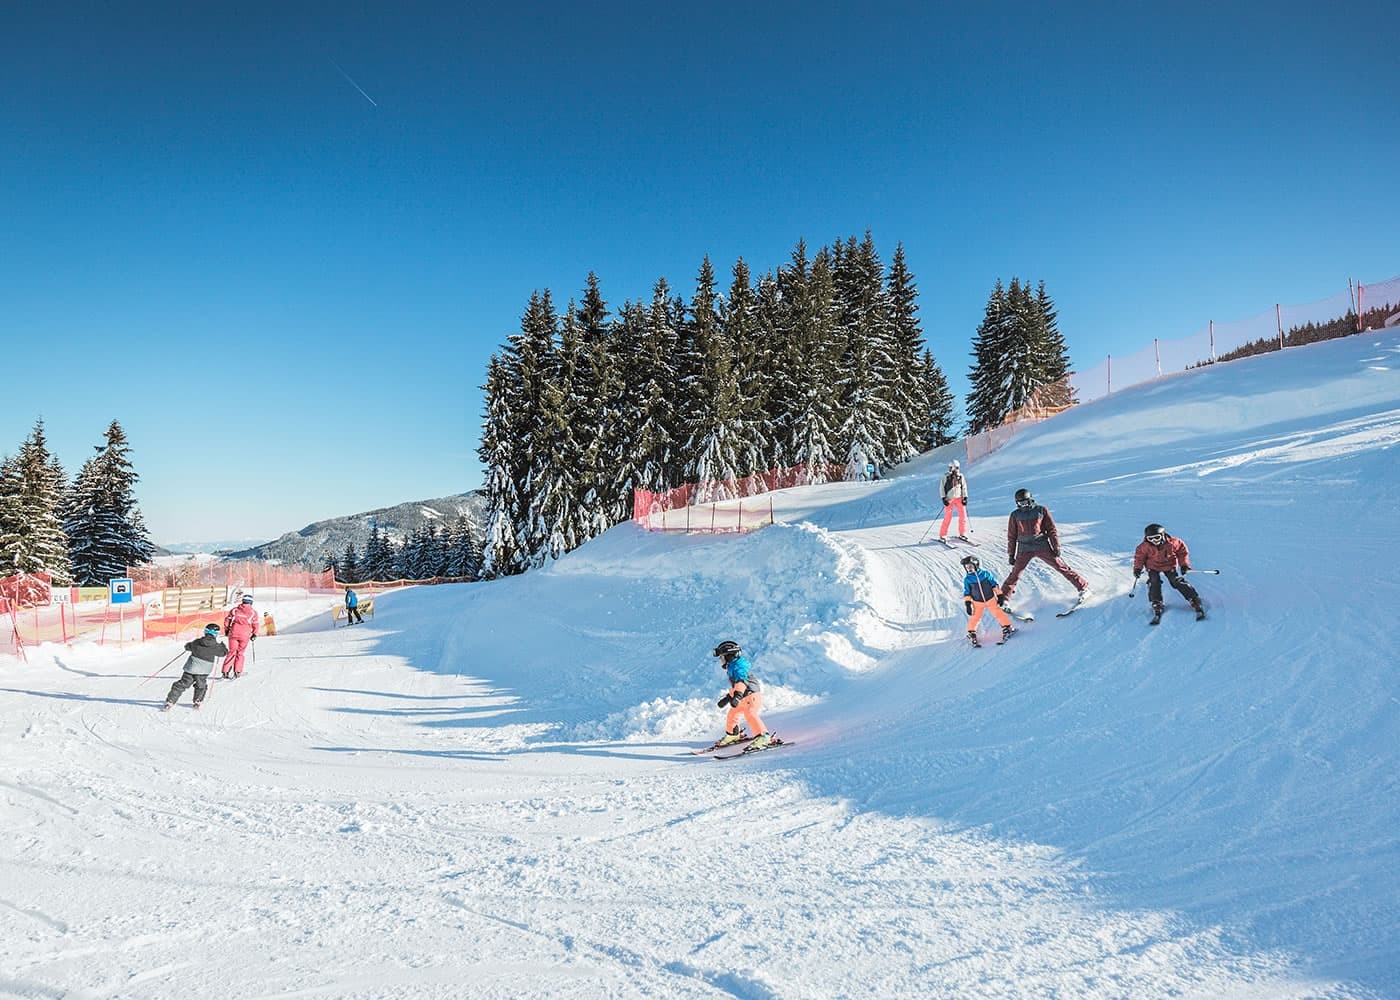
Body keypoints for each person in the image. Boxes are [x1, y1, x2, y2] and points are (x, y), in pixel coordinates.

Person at [1001, 488, 1089, 602]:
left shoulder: (1041, 510)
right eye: (1020, 503)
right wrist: (1011, 554)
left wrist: (1055, 546)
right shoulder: (1015, 515)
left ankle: (1083, 588)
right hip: (1024, 548)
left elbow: (1051, 529)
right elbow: (1011, 536)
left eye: (1025, 502)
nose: (1023, 505)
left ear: (1030, 500)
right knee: (1015, 573)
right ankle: (1003, 599)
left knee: (1060, 566)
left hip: (1041, 544)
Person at [1134, 523, 1205, 623]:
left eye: (1157, 537)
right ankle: (1156, 602)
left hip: (1169, 565)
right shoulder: (1144, 547)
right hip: (1153, 566)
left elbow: (1182, 552)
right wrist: (1137, 569)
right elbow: (1139, 558)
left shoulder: (1173, 542)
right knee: (1154, 582)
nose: (1154, 541)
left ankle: (1193, 598)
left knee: (1175, 581)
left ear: (1163, 535)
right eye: (1151, 539)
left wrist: (1184, 565)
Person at [713, 640, 773, 750]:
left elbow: (741, 682)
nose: (721, 660)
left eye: (722, 657)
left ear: (729, 656)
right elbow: (736, 686)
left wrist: (737, 695)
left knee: (750, 714)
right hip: (743, 698)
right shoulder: (732, 667)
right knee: (732, 713)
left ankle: (764, 737)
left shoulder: (738, 667)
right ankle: (733, 734)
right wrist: (728, 698)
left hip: (751, 696)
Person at [163, 624, 227, 711]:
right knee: (201, 685)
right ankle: (198, 700)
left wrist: (190, 647)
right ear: (216, 634)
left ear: (205, 632)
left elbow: (188, 646)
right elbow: (223, 653)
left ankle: (170, 701)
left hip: (191, 668)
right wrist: (223, 646)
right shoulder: (216, 646)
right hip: (204, 671)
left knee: (182, 684)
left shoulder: (197, 642)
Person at [960, 554, 1014, 647]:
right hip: (977, 602)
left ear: (976, 565)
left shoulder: (985, 574)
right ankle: (971, 632)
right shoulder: (967, 579)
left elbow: (994, 584)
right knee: (975, 617)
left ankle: (1007, 627)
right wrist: (968, 603)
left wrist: (1000, 595)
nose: (969, 569)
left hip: (990, 599)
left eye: (970, 566)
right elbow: (967, 592)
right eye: (967, 567)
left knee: (998, 613)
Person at [222, 594, 259, 678]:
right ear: (251, 602)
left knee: (231, 652)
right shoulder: (253, 613)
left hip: (233, 634)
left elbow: (227, 620)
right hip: (244, 635)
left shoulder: (235, 610)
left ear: (243, 601)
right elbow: (255, 624)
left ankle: (225, 671)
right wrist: (254, 634)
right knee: (240, 653)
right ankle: (237, 671)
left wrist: (227, 630)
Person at [939, 459, 969, 541]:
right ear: (951, 468)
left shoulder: (961, 476)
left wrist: (965, 497)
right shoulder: (946, 477)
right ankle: (943, 534)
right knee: (948, 517)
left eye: (957, 467)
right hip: (949, 499)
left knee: (963, 516)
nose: (956, 469)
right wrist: (943, 498)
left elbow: (964, 487)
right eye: (955, 468)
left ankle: (963, 533)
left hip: (959, 498)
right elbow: (942, 488)